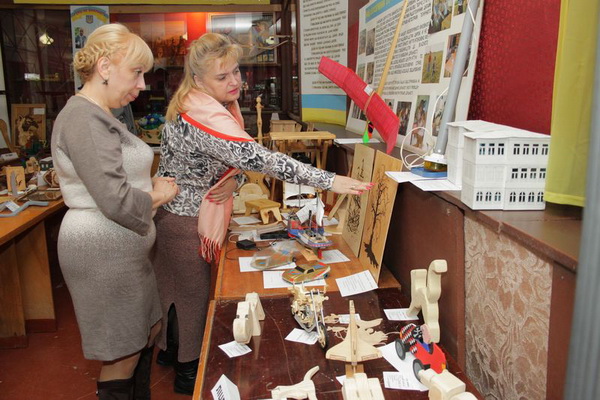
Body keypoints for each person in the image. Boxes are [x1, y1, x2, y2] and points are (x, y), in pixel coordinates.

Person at [152, 32, 373, 395]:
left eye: (236, 71)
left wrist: (234, 181)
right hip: (187, 222)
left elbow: (230, 165)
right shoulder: (203, 117)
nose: (235, 81)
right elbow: (258, 159)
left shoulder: (197, 104)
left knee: (174, 291)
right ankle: (188, 371)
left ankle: (170, 351)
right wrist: (329, 180)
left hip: (176, 216)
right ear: (198, 80)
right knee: (193, 299)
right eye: (222, 76)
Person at [51, 23, 179, 400]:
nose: (141, 85)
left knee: (145, 334)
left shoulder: (101, 113)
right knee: (122, 352)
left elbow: (115, 180)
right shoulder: (84, 118)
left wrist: (149, 185)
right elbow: (115, 200)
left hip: (123, 254)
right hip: (102, 255)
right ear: (105, 67)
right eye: (136, 73)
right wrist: (157, 194)